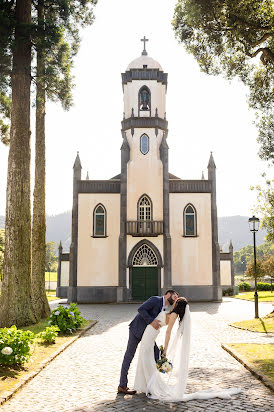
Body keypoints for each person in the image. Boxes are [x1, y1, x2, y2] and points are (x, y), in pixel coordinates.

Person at [134, 297, 241, 401]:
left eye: (177, 300)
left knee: (145, 357)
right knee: (145, 357)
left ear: (178, 305)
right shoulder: (172, 313)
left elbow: (168, 332)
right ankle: (146, 384)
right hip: (151, 333)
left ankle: (150, 386)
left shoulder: (173, 315)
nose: (174, 300)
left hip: (150, 334)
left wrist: (165, 349)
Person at [117, 289, 179, 395]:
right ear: (168, 294)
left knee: (156, 354)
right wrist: (151, 321)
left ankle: (149, 383)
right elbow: (141, 309)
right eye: (174, 297)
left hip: (147, 335)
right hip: (136, 330)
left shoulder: (165, 307)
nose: (175, 299)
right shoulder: (155, 299)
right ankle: (122, 385)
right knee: (129, 356)